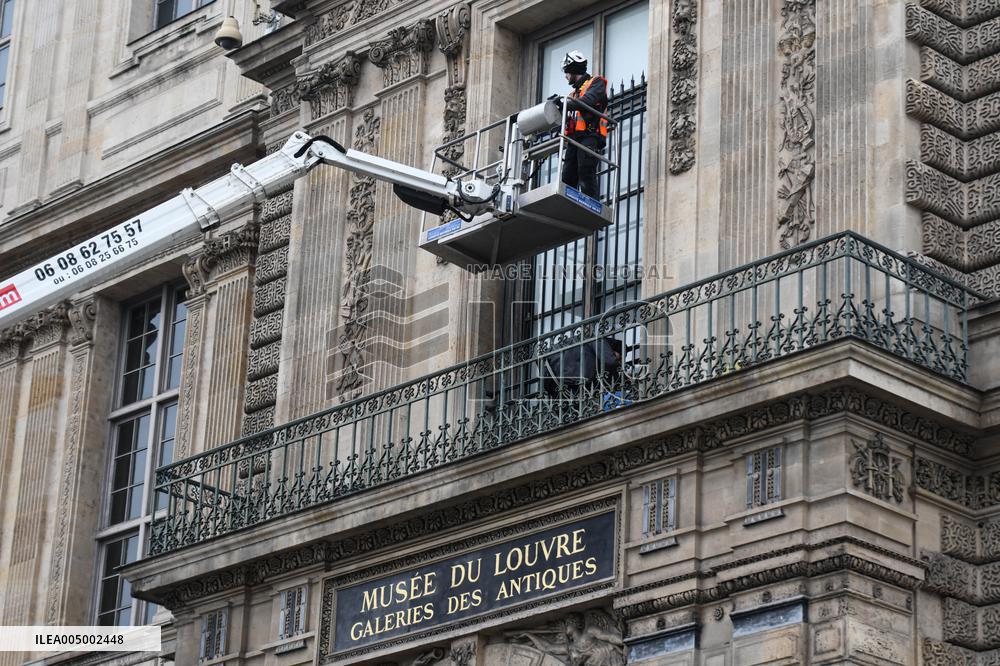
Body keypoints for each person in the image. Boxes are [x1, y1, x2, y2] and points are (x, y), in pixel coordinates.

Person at [559, 50, 608, 199]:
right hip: (574, 140)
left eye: (567, 71)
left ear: (573, 69)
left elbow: (589, 101)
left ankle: (591, 206)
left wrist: (564, 104)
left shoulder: (596, 82)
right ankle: (569, 206)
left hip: (589, 135)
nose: (565, 76)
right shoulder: (572, 95)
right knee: (567, 176)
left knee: (585, 171)